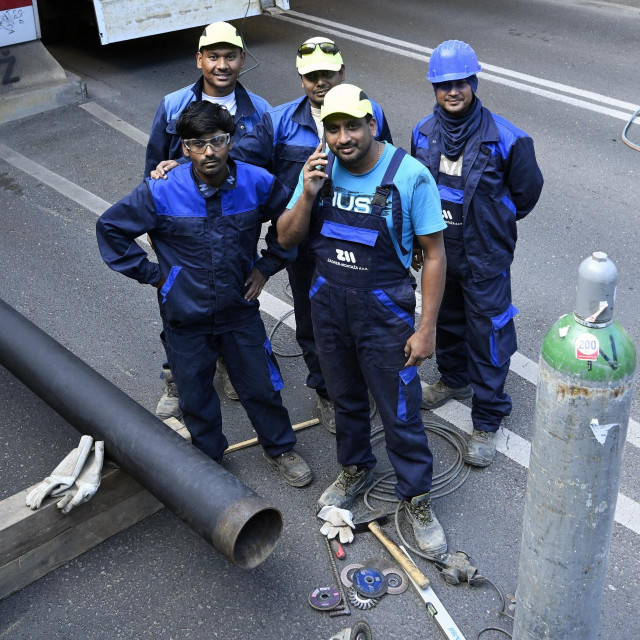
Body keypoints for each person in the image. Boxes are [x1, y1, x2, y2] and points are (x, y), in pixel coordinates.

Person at [152, 37, 393, 434]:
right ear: (301, 78)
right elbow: (234, 162)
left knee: (363, 316)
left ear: (342, 72)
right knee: (313, 321)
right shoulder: (278, 121)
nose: (321, 83)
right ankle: (328, 391)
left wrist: (395, 237)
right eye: (312, 76)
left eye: (327, 74)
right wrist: (178, 166)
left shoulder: (371, 112)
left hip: (359, 238)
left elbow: (388, 170)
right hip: (306, 242)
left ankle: (360, 381)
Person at [97, 101, 312, 488]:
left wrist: (266, 267)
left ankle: (281, 448)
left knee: (260, 387)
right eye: (197, 144)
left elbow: (290, 223)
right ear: (184, 148)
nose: (209, 152)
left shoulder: (257, 182)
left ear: (230, 140)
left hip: (239, 310)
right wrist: (157, 276)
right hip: (185, 316)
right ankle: (210, 459)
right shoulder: (161, 190)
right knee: (196, 398)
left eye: (217, 140)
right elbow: (111, 229)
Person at [276, 84, 448, 555]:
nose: (343, 137)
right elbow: (286, 239)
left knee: (399, 410)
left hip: (385, 314)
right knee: (346, 401)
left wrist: (426, 326)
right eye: (333, 128)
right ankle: (356, 468)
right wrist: (307, 196)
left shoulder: (409, 175)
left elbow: (434, 254)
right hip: (329, 307)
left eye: (353, 126)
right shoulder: (317, 171)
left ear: (372, 125)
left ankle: (416, 496)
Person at [412, 40, 543, 467]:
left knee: (488, 336)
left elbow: (526, 194)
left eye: (461, 82)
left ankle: (487, 419)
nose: (453, 91)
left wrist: (494, 223)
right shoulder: (423, 134)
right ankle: (454, 380)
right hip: (440, 255)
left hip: (485, 256)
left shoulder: (508, 139)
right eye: (444, 84)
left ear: (474, 81)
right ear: (434, 87)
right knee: (447, 321)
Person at [146, 21, 273, 415]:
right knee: (179, 305)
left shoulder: (262, 111)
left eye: (230, 56)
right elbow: (153, 165)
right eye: (213, 56)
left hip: (234, 227)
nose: (222, 64)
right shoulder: (172, 104)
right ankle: (176, 376)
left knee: (235, 296)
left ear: (243, 60)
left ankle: (231, 365)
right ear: (199, 59)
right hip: (183, 227)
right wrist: (155, 223)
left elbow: (268, 173)